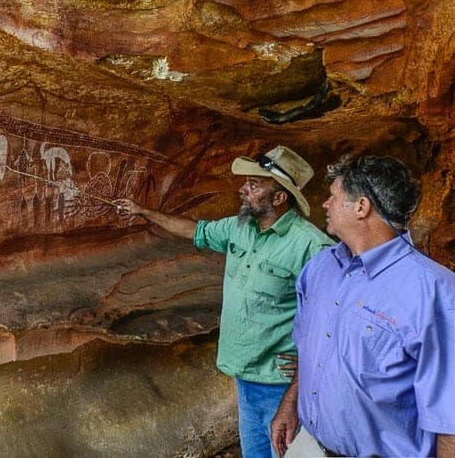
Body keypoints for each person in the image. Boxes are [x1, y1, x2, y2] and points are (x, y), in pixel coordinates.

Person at [116, 145, 330, 458]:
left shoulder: (310, 245)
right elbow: (196, 231)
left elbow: (334, 317)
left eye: (255, 185)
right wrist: (144, 211)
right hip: (246, 376)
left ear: (280, 198)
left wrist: (308, 371)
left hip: (281, 385)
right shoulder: (239, 227)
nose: (243, 189)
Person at [270, 155, 455, 458]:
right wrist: (291, 404)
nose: (326, 204)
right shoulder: (319, 268)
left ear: (361, 207)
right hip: (310, 446)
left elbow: (450, 416)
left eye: (333, 196)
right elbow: (312, 350)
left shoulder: (436, 293)